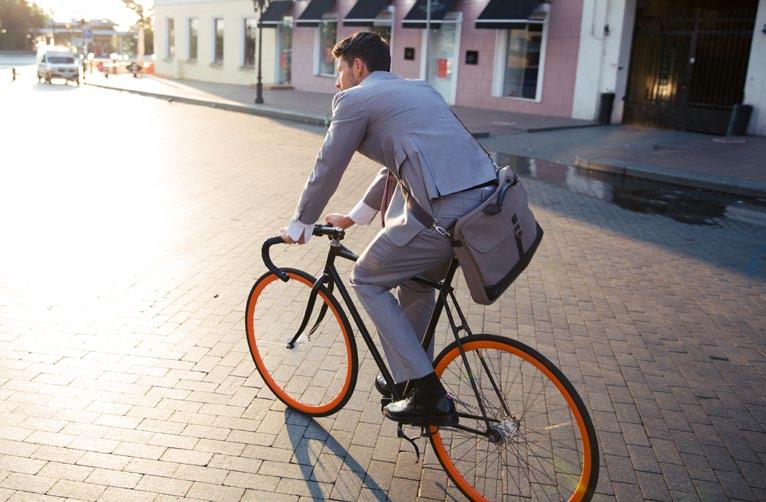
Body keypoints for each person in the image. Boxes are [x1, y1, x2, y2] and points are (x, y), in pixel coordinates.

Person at [279, 32, 496, 426]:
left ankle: (427, 391)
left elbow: (328, 165)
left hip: (441, 219)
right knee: (415, 285)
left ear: (357, 66)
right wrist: (353, 217)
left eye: (339, 70)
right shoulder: (420, 90)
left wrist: (301, 223)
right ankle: (410, 378)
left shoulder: (355, 99)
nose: (337, 81)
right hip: (482, 211)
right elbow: (395, 166)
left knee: (365, 278)